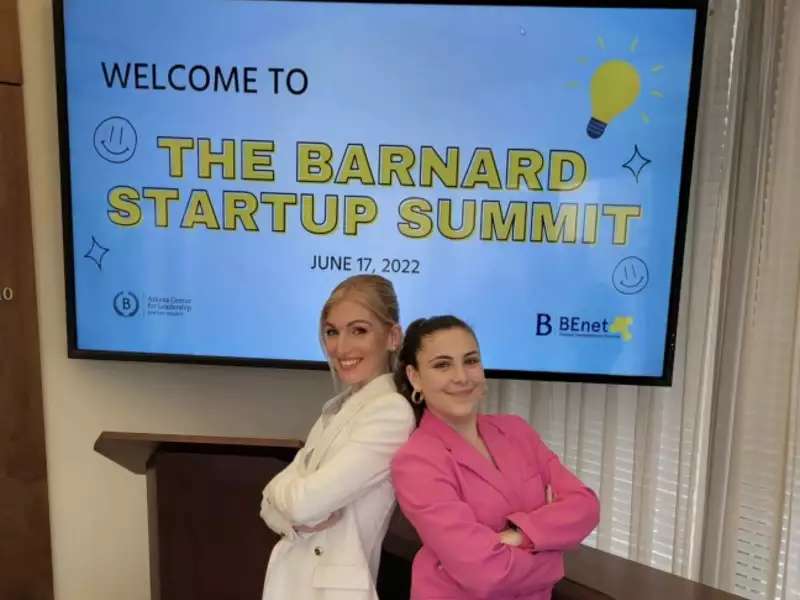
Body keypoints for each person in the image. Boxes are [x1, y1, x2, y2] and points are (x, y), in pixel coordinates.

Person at [391, 316, 600, 600]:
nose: (462, 377)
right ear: (415, 377)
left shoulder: (517, 431)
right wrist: (553, 557)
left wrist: (522, 535)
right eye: (442, 365)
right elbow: (486, 574)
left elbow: (585, 506)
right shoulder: (416, 461)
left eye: (471, 361)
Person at [260, 275, 416, 600]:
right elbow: (267, 506)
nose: (341, 347)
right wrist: (285, 503)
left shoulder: (391, 412)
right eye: (332, 332)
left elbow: (303, 505)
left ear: (392, 336)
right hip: (296, 582)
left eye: (359, 330)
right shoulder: (335, 410)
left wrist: (286, 502)